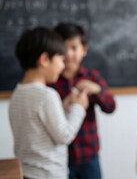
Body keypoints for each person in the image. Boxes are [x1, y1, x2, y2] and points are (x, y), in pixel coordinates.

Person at [9, 27, 88, 179]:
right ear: (45, 60)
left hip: (25, 172)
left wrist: (63, 111)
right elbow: (64, 136)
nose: (63, 66)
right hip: (49, 174)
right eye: (60, 59)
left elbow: (39, 132)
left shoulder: (18, 93)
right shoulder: (47, 95)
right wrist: (79, 107)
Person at [50, 22, 116, 179]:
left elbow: (111, 107)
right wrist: (63, 105)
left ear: (84, 50)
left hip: (89, 156)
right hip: (60, 157)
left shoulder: (92, 77)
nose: (68, 54)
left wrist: (98, 90)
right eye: (63, 48)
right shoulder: (50, 80)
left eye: (74, 48)